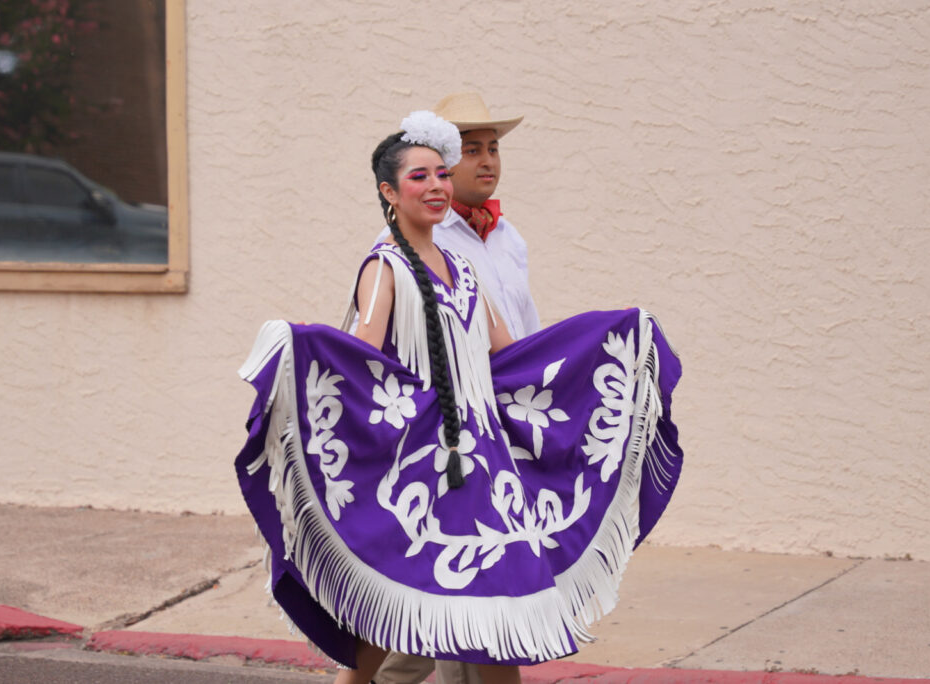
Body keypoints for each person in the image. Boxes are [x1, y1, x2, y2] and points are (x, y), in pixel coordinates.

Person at [234, 112, 683, 684]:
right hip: (426, 463)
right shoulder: (384, 266)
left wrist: (609, 338)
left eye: (442, 175)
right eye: (419, 177)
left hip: (485, 466)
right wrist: (306, 345)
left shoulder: (465, 270)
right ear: (389, 193)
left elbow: (516, 356)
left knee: (492, 618)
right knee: (399, 632)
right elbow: (363, 351)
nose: (437, 186)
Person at [371, 93, 534, 684]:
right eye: (469, 150)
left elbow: (514, 340)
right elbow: (369, 353)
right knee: (429, 621)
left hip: (491, 436)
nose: (485, 161)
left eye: (492, 148)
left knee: (476, 615)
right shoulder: (410, 253)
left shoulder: (503, 238)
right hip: (436, 445)